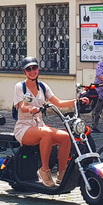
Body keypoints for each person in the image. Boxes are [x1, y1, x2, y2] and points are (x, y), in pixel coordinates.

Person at [14, 57, 90, 187]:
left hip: (39, 126)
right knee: (47, 133)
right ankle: (44, 170)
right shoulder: (20, 87)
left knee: (66, 136)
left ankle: (62, 172)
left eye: (34, 68)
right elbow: (22, 106)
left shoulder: (43, 87)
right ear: (24, 72)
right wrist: (30, 108)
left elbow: (58, 102)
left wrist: (77, 101)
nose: (32, 71)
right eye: (28, 69)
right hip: (24, 127)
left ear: (38, 69)